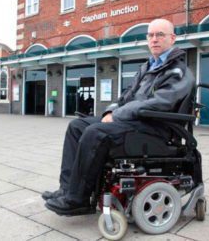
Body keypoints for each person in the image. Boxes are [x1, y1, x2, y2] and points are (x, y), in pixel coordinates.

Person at [43, 18, 195, 216]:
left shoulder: (179, 71)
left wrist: (118, 115)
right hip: (135, 121)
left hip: (156, 128)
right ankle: (67, 189)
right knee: (76, 126)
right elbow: (126, 95)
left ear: (172, 38)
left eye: (160, 35)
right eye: (150, 35)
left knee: (95, 132)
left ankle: (77, 199)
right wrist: (110, 111)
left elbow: (160, 103)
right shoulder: (148, 67)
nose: (154, 39)